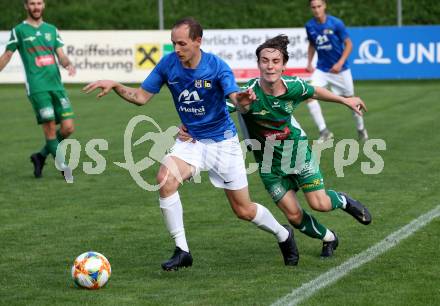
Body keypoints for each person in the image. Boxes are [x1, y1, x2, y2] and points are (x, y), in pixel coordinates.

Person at [83, 17, 299, 270]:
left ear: (198, 41)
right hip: (192, 141)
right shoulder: (168, 65)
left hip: (223, 144)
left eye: (182, 43)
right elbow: (140, 97)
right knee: (165, 179)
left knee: (243, 210)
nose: (176, 49)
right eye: (173, 43)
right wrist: (117, 85)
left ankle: (283, 235)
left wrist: (243, 99)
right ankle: (182, 249)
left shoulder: (217, 67)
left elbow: (239, 102)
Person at [181, 35, 372, 258]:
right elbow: (220, 109)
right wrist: (190, 126)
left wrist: (346, 100)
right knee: (293, 216)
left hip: (297, 151)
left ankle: (343, 200)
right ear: (258, 64)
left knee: (319, 203)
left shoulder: (293, 86)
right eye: (265, 61)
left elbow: (315, 91)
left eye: (275, 61)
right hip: (268, 163)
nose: (270, 66)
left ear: (283, 65)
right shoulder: (247, 93)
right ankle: (329, 237)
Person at [0, 0, 75, 182]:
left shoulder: (51, 29)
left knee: (68, 128)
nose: (36, 7)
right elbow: (7, 55)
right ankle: (64, 167)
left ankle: (40, 156)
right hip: (37, 88)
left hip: (56, 86)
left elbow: (61, 54)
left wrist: (67, 63)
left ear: (44, 5)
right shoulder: (19, 30)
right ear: (26, 6)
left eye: (39, 3)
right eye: (32, 3)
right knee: (49, 128)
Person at [305, 0, 368, 142]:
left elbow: (349, 44)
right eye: (313, 7)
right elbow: (312, 44)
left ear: (324, 6)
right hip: (322, 69)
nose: (316, 9)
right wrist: (309, 62)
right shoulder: (309, 25)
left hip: (340, 70)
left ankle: (361, 128)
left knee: (351, 100)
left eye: (319, 6)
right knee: (309, 95)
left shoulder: (336, 23)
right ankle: (324, 132)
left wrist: (339, 63)